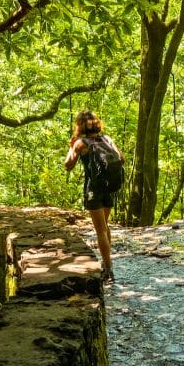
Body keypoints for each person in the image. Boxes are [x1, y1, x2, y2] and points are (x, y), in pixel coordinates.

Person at [64, 110, 123, 282]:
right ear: (96, 124)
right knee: (105, 227)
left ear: (80, 125)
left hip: (93, 189)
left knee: (100, 230)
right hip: (108, 187)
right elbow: (122, 159)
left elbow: (68, 165)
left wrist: (71, 146)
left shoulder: (81, 143)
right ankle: (107, 263)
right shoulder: (107, 139)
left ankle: (108, 269)